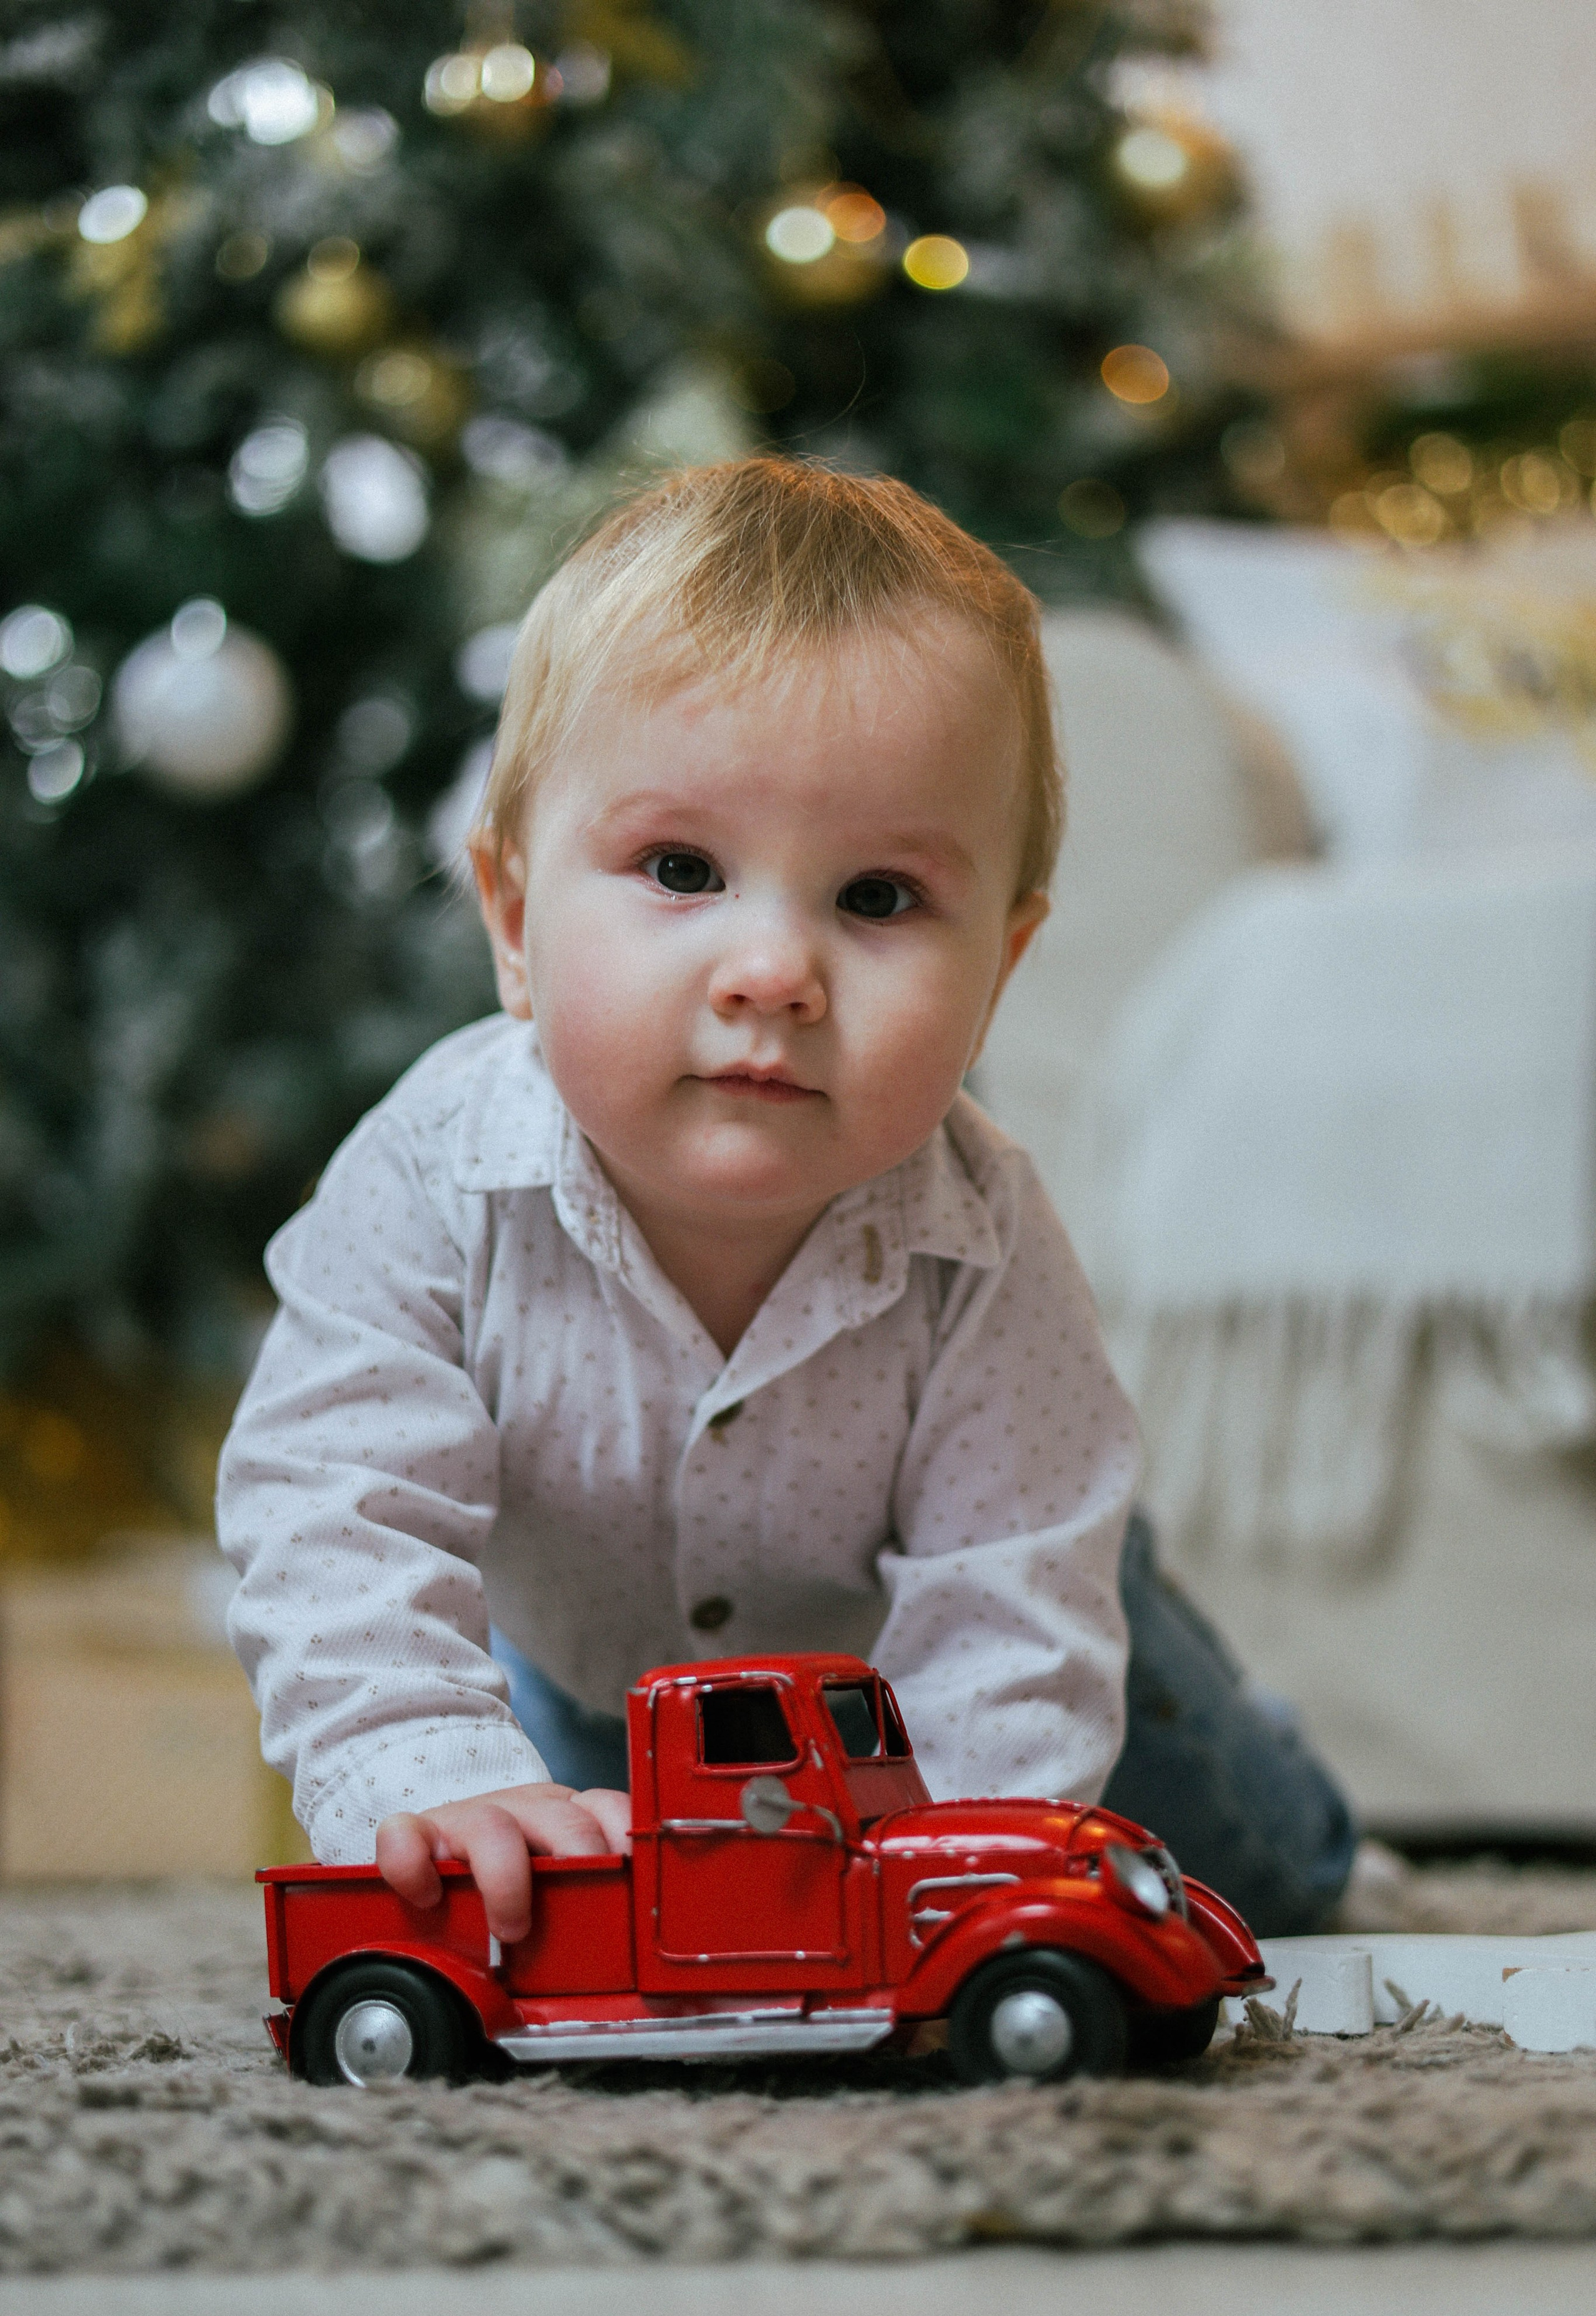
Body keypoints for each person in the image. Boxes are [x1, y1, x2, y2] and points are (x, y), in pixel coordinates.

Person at [218, 460, 1353, 1948]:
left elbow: (1006, 1612)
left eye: (876, 898)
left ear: (997, 971)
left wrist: (945, 1903)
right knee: (563, 1908)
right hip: (595, 1682)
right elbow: (333, 1504)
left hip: (976, 1639)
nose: (771, 973)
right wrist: (427, 1767)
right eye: (681, 869)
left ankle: (1318, 1835)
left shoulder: (981, 1232)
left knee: (1221, 1869)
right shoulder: (429, 1181)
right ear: (510, 923)